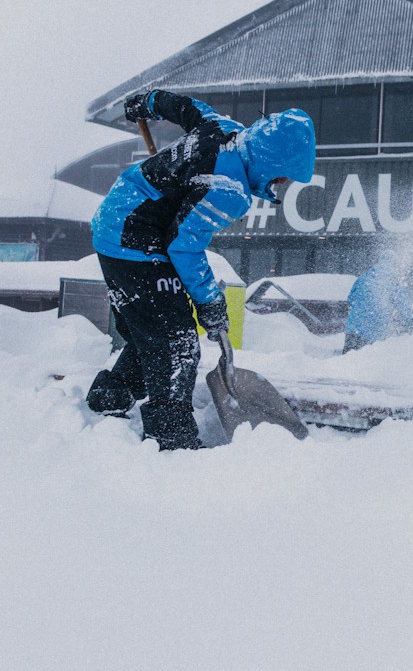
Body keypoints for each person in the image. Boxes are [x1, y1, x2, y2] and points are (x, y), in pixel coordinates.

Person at [86, 89, 316, 450]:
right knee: (177, 343)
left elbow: (185, 107)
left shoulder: (222, 127)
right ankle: (171, 436)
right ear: (272, 161)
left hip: (117, 219)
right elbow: (184, 246)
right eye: (283, 177)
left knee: (155, 326)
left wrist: (147, 102)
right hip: (134, 237)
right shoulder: (230, 188)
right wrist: (210, 302)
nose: (280, 186)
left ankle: (110, 396)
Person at [343, 250, 413, 353]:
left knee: (345, 364)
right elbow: (405, 311)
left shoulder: (363, 279)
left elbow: (350, 299)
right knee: (367, 365)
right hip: (374, 335)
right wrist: (408, 321)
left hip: (353, 330)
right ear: (395, 265)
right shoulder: (395, 285)